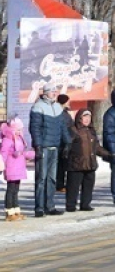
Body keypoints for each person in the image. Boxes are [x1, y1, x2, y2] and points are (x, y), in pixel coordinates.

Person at [29, 82, 72, 217]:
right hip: (44, 147)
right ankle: (39, 207)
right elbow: (35, 128)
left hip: (55, 147)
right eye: (52, 91)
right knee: (41, 178)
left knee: (52, 179)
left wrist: (67, 143)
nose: (55, 93)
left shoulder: (57, 107)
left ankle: (50, 206)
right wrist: (38, 146)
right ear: (46, 92)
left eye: (55, 91)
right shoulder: (38, 107)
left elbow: (63, 127)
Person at [65, 109, 111, 212]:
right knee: (73, 186)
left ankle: (85, 204)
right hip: (76, 163)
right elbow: (66, 146)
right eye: (84, 117)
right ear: (79, 118)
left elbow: (97, 147)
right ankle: (70, 205)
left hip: (90, 163)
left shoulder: (91, 130)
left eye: (89, 117)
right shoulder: (73, 130)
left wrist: (108, 155)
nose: (87, 119)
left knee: (88, 185)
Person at [1, 118, 29, 221]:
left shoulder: (19, 139)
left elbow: (22, 152)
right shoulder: (7, 140)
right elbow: (3, 154)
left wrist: (31, 154)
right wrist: (1, 165)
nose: (19, 132)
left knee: (16, 190)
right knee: (11, 190)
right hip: (11, 167)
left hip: (19, 168)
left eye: (20, 129)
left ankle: (16, 211)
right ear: (12, 129)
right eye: (17, 129)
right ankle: (9, 212)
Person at [55, 94, 73, 194]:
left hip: (64, 141)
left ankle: (61, 184)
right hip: (61, 142)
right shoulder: (60, 113)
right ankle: (60, 185)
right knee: (61, 165)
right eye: (68, 101)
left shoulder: (65, 112)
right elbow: (66, 128)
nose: (69, 103)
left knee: (62, 164)